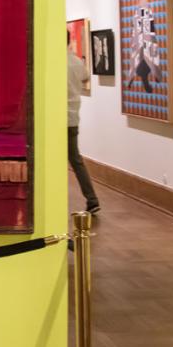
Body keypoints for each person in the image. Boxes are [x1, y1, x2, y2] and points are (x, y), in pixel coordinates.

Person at [68, 31, 100, 214]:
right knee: (76, 160)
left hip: (55, 120)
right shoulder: (76, 61)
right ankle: (92, 199)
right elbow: (86, 77)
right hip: (72, 118)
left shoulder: (53, 62)